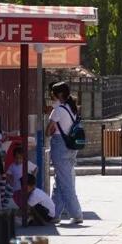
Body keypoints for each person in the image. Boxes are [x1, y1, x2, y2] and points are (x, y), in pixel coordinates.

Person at [46, 82, 84, 224]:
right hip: (71, 148)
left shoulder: (58, 110)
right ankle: (54, 212)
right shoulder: (72, 109)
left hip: (60, 147)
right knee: (60, 180)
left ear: (59, 94)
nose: (51, 96)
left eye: (53, 93)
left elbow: (48, 131)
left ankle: (76, 213)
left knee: (65, 182)